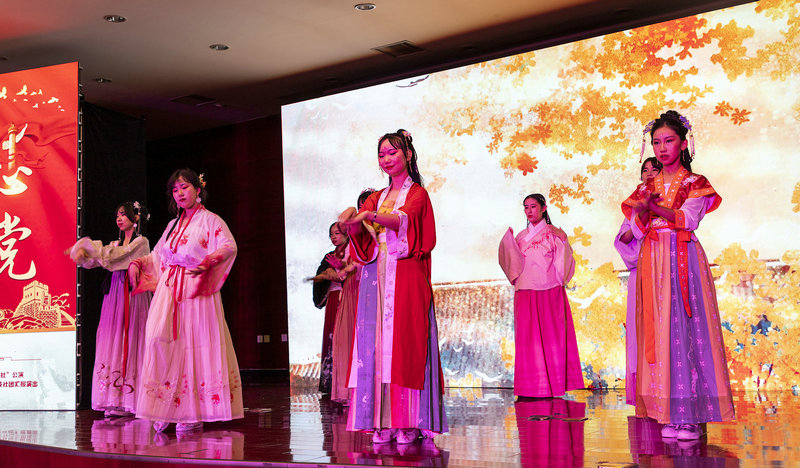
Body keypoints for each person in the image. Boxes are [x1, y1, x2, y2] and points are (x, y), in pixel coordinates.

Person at [621, 110, 735, 440]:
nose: (662, 148)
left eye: (668, 141)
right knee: (660, 333)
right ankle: (667, 412)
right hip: (653, 260)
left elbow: (689, 219)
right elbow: (634, 228)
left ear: (683, 144)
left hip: (682, 256)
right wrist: (641, 215)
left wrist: (653, 209)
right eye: (656, 142)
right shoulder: (646, 186)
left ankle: (690, 415)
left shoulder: (694, 183)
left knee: (686, 329)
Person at [338, 130, 447, 445]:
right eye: (381, 154)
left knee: (407, 343)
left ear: (408, 155)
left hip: (406, 273)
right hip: (376, 277)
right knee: (375, 347)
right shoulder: (376, 196)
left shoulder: (418, 195)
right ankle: (381, 421)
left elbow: (404, 220)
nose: (386, 159)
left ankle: (410, 421)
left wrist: (371, 216)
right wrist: (353, 224)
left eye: (392, 152)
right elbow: (363, 237)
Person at [129, 169, 243, 433]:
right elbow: (158, 256)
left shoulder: (211, 221)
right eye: (175, 190)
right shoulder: (172, 225)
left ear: (197, 190)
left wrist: (207, 262)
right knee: (158, 339)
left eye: (185, 187)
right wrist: (138, 263)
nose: (180, 193)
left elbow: (229, 246)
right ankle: (165, 405)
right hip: (169, 291)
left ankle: (191, 412)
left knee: (193, 345)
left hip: (196, 289)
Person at [67, 202, 153, 417]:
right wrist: (84, 256)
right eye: (117, 215)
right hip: (115, 292)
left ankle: (132, 399)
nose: (119, 218)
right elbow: (101, 260)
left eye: (124, 214)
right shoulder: (114, 244)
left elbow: (116, 257)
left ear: (136, 217)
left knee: (131, 337)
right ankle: (113, 399)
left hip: (132, 293)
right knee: (112, 337)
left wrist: (91, 248)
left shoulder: (140, 243)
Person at [498, 194, 583, 398]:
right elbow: (511, 265)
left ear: (544, 208)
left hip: (549, 290)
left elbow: (563, 264)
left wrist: (563, 239)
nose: (529, 211)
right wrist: (507, 242)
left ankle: (553, 386)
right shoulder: (520, 237)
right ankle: (531, 387)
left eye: (533, 206)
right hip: (525, 291)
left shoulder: (554, 234)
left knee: (552, 338)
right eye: (526, 207)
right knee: (528, 341)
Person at [614, 157, 662, 406]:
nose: (649, 173)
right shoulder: (634, 203)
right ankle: (646, 389)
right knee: (641, 328)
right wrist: (638, 222)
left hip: (664, 266)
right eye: (645, 170)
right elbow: (623, 237)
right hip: (641, 269)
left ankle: (667, 386)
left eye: (655, 168)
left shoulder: (670, 196)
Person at [329, 189, 374, 406]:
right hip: (353, 288)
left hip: (369, 286)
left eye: (370, 204)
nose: (366, 208)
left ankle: (369, 390)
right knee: (347, 338)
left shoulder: (378, 229)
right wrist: (343, 267)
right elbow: (354, 262)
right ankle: (350, 391)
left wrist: (346, 268)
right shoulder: (355, 233)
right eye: (362, 205)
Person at [309, 222, 348, 393]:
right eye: (331, 233)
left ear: (346, 233)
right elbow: (320, 276)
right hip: (333, 298)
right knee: (331, 337)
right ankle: (331, 382)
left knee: (343, 338)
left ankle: (345, 382)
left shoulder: (351, 252)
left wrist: (339, 271)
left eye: (337, 233)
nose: (333, 237)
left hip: (346, 297)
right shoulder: (329, 256)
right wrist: (325, 275)